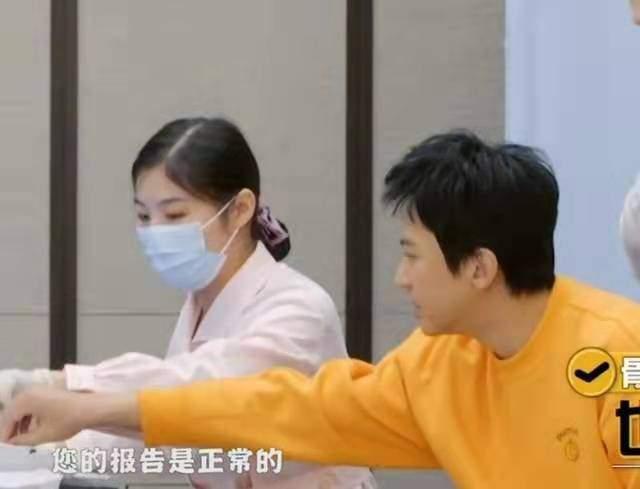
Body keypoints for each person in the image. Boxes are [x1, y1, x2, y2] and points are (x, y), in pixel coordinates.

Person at [4, 131, 640, 488]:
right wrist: (89, 408)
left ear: (478, 268)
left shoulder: (621, 356)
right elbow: (291, 410)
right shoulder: (438, 362)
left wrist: (80, 397)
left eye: (412, 255)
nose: (400, 278)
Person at [0, 117, 376, 489]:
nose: (155, 231)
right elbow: (171, 429)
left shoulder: (300, 309)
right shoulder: (200, 305)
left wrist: (61, 385)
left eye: (175, 214)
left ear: (240, 209)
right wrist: (48, 448)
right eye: (144, 216)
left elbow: (206, 393)